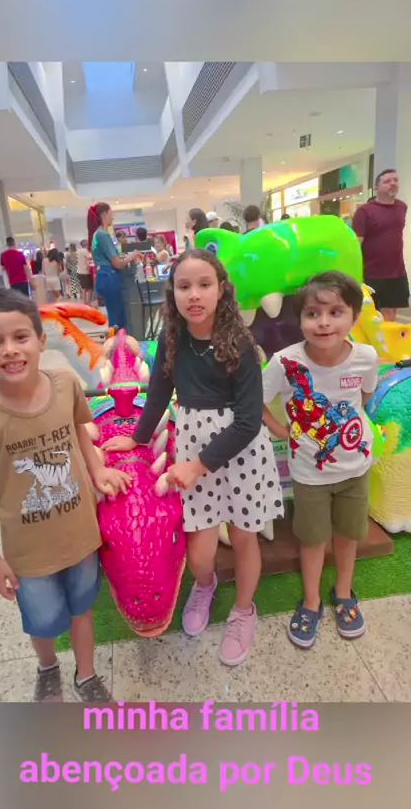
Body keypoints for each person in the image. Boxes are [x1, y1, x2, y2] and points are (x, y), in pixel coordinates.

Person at [102, 248, 284, 666]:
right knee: (200, 553)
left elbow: (248, 421)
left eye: (204, 284)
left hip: (239, 455)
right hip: (192, 450)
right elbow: (158, 394)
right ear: (173, 293)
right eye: (184, 286)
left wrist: (199, 464)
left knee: (243, 537)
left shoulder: (240, 343)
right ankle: (205, 585)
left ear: (221, 290)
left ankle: (244, 610)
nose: (194, 295)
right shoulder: (172, 339)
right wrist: (137, 438)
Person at [0, 288, 132, 702]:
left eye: (21, 337)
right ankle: (48, 666)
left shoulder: (66, 385)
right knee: (43, 620)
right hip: (29, 553)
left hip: (81, 536)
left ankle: (86, 675)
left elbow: (79, 433)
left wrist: (98, 469)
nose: (10, 350)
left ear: (41, 340)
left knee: (82, 608)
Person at [262, 271, 379, 649]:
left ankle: (344, 593)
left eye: (335, 312)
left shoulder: (366, 357)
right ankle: (311, 602)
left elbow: (363, 397)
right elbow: (256, 400)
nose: (324, 322)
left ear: (354, 316)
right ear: (300, 320)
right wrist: (282, 432)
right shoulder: (285, 362)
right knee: (312, 540)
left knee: (348, 534)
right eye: (313, 313)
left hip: (355, 469)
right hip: (309, 474)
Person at [352, 169, 409, 321]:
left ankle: (387, 338)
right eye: (387, 181)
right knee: (371, 315)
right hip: (372, 273)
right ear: (377, 188)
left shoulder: (402, 207)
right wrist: (355, 274)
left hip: (396, 271)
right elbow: (356, 244)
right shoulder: (364, 211)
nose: (393, 183)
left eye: (395, 180)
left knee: (390, 313)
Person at [88, 202, 139, 330]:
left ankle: (116, 341)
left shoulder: (97, 234)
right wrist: (131, 256)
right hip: (110, 278)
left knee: (114, 316)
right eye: (111, 213)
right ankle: (116, 342)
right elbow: (117, 264)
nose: (113, 217)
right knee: (118, 320)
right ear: (104, 214)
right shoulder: (103, 235)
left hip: (104, 277)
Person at [77, 240, 94, 304]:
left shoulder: (78, 251)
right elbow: (91, 257)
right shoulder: (85, 251)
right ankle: (88, 303)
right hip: (86, 272)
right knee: (90, 288)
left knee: (83, 288)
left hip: (79, 272)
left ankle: (84, 302)